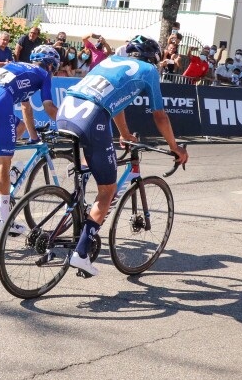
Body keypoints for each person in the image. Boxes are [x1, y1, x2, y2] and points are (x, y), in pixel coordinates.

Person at [57, 36, 188, 277]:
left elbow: (116, 103)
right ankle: (81, 253)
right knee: (108, 190)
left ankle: (78, 201)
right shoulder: (149, 70)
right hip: (91, 116)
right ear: (154, 59)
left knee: (91, 158)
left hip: (66, 108)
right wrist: (175, 147)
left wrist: (125, 133)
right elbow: (160, 116)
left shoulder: (111, 60)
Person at [0, 45, 61, 234]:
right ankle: (5, 221)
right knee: (4, 163)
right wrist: (69, 122)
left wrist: (34, 138)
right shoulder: (43, 75)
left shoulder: (21, 67)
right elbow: (49, 107)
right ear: (51, 66)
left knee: (18, 127)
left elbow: (26, 109)